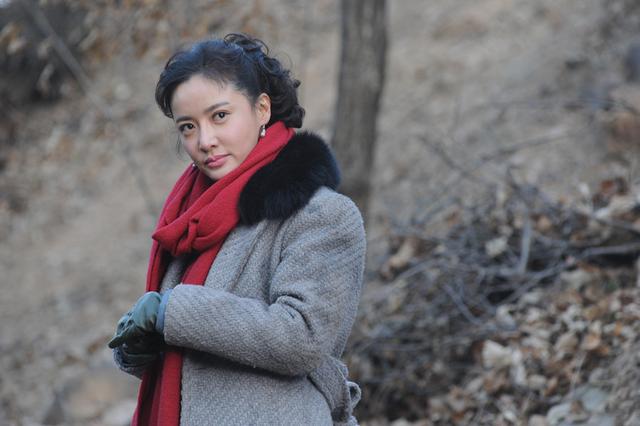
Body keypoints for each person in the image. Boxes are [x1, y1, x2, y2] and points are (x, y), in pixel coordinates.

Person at [107, 33, 366, 426]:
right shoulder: (191, 219)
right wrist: (137, 347)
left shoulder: (323, 214)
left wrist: (173, 312)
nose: (204, 141)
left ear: (261, 109)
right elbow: (192, 368)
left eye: (219, 116)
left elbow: (302, 339)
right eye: (188, 127)